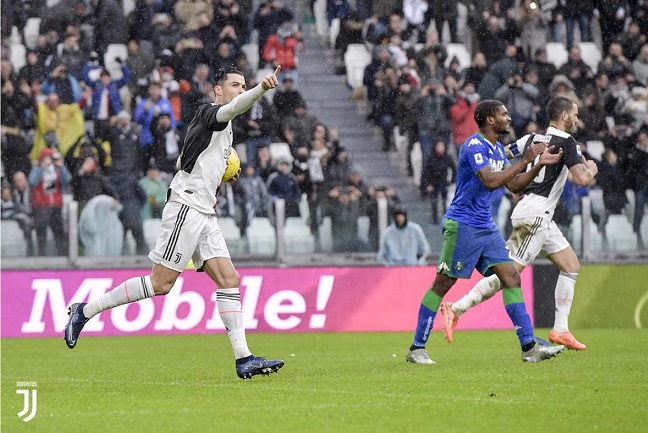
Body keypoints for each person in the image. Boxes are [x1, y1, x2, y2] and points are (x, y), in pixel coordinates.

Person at [64, 65, 285, 379]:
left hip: (205, 211)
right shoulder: (211, 112)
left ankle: (243, 358)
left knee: (229, 279)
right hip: (186, 206)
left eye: (242, 85)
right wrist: (261, 88)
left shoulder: (227, 128)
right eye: (234, 85)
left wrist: (225, 169)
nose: (239, 89)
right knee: (161, 284)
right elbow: (237, 106)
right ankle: (84, 311)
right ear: (218, 91)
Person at [405, 99, 565, 365]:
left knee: (511, 278)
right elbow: (490, 181)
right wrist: (525, 157)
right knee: (444, 282)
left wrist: (536, 165)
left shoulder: (497, 151)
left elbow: (513, 184)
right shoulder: (474, 146)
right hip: (463, 224)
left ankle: (528, 347)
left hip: (485, 225)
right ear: (489, 120)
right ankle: (416, 347)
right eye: (503, 114)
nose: (508, 118)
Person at [439, 97, 599, 352]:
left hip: (537, 213)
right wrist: (592, 170)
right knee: (507, 274)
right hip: (535, 214)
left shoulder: (532, 139)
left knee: (571, 265)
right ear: (565, 116)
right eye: (575, 114)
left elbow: (503, 153)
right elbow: (580, 178)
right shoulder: (568, 143)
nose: (577, 119)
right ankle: (456, 308)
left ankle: (561, 328)